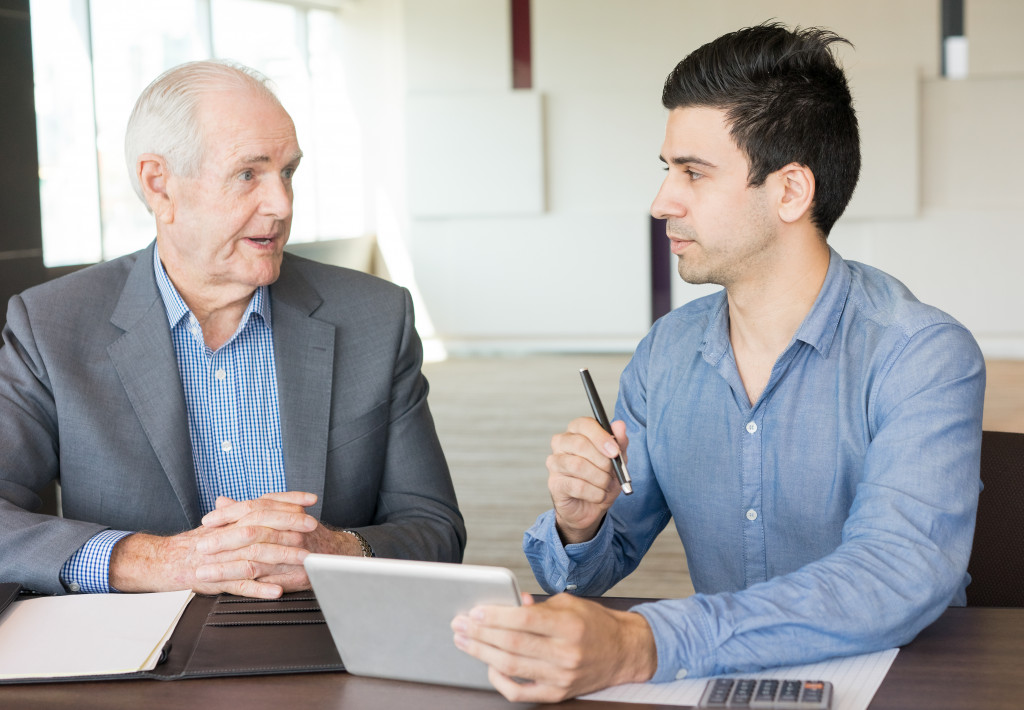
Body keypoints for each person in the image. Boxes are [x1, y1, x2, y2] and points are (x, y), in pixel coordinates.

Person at [452, 23, 985, 701]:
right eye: (666, 169)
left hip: (904, 684)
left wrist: (648, 642)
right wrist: (579, 521)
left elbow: (893, 575)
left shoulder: (921, 355)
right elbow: (582, 577)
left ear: (791, 191)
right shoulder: (668, 352)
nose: (660, 202)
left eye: (693, 173)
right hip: (726, 683)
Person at [0, 60, 465, 598]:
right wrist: (157, 561)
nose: (282, 204)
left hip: (328, 636)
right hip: (136, 656)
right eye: (249, 173)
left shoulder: (375, 317)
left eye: (287, 172)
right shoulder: (52, 324)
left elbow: (436, 530)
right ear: (160, 186)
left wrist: (336, 551)